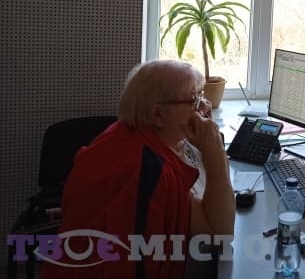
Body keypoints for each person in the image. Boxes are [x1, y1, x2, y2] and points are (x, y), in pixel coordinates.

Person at [43, 60, 235, 278]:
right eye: (195, 99)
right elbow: (219, 232)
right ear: (157, 115)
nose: (205, 107)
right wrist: (214, 150)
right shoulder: (148, 169)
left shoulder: (126, 135)